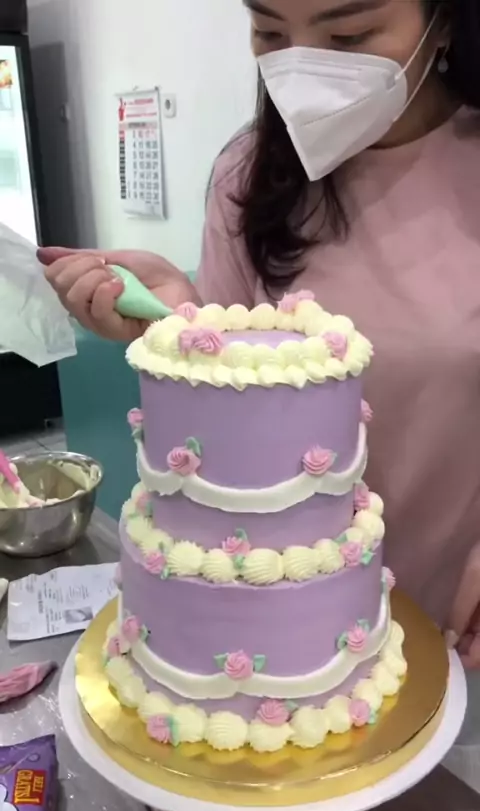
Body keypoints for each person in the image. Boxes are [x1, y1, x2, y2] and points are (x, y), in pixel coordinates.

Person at [40, 0, 480, 665]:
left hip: (456, 621)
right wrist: (179, 321)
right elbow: (233, 413)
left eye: (349, 34)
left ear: (443, 20)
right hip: (285, 649)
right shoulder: (247, 177)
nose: (302, 64)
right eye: (269, 31)